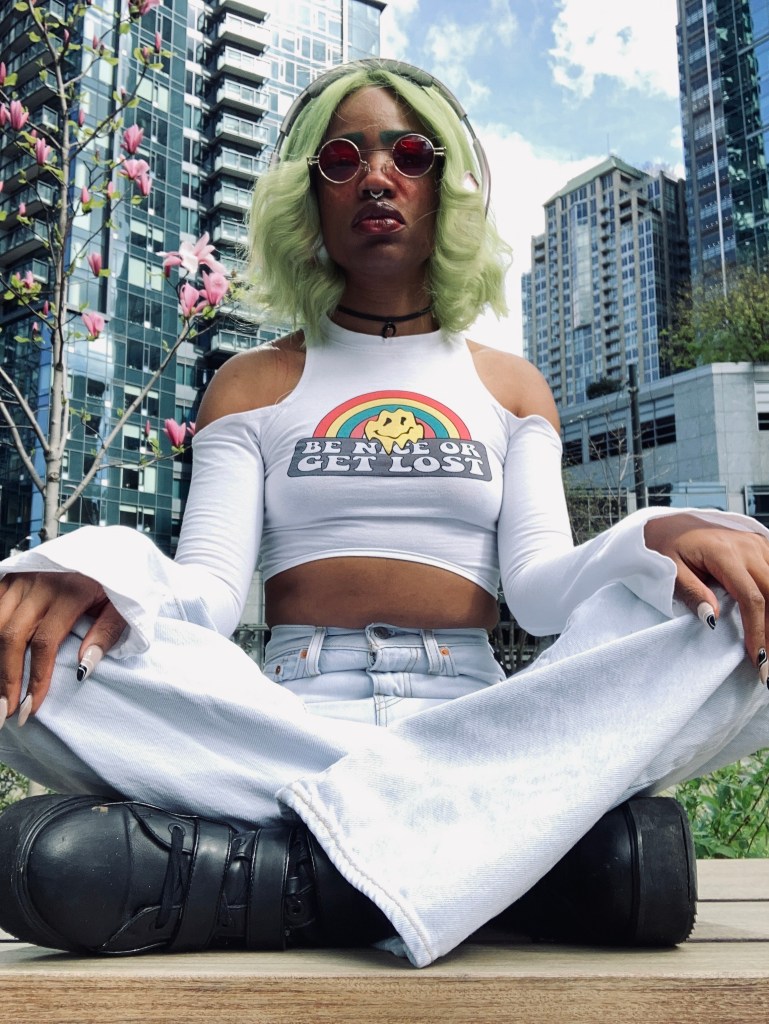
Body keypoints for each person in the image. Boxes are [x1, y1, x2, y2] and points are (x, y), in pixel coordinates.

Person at [0, 58, 767, 968]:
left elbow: (541, 594)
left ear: (448, 190)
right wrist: (96, 566)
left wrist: (661, 534)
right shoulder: (250, 383)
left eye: (409, 154)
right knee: (27, 645)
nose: (375, 176)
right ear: (308, 197)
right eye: (341, 158)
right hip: (285, 717)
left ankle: (293, 870)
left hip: (479, 718)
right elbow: (205, 596)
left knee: (733, 612)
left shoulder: (510, 386)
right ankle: (509, 852)